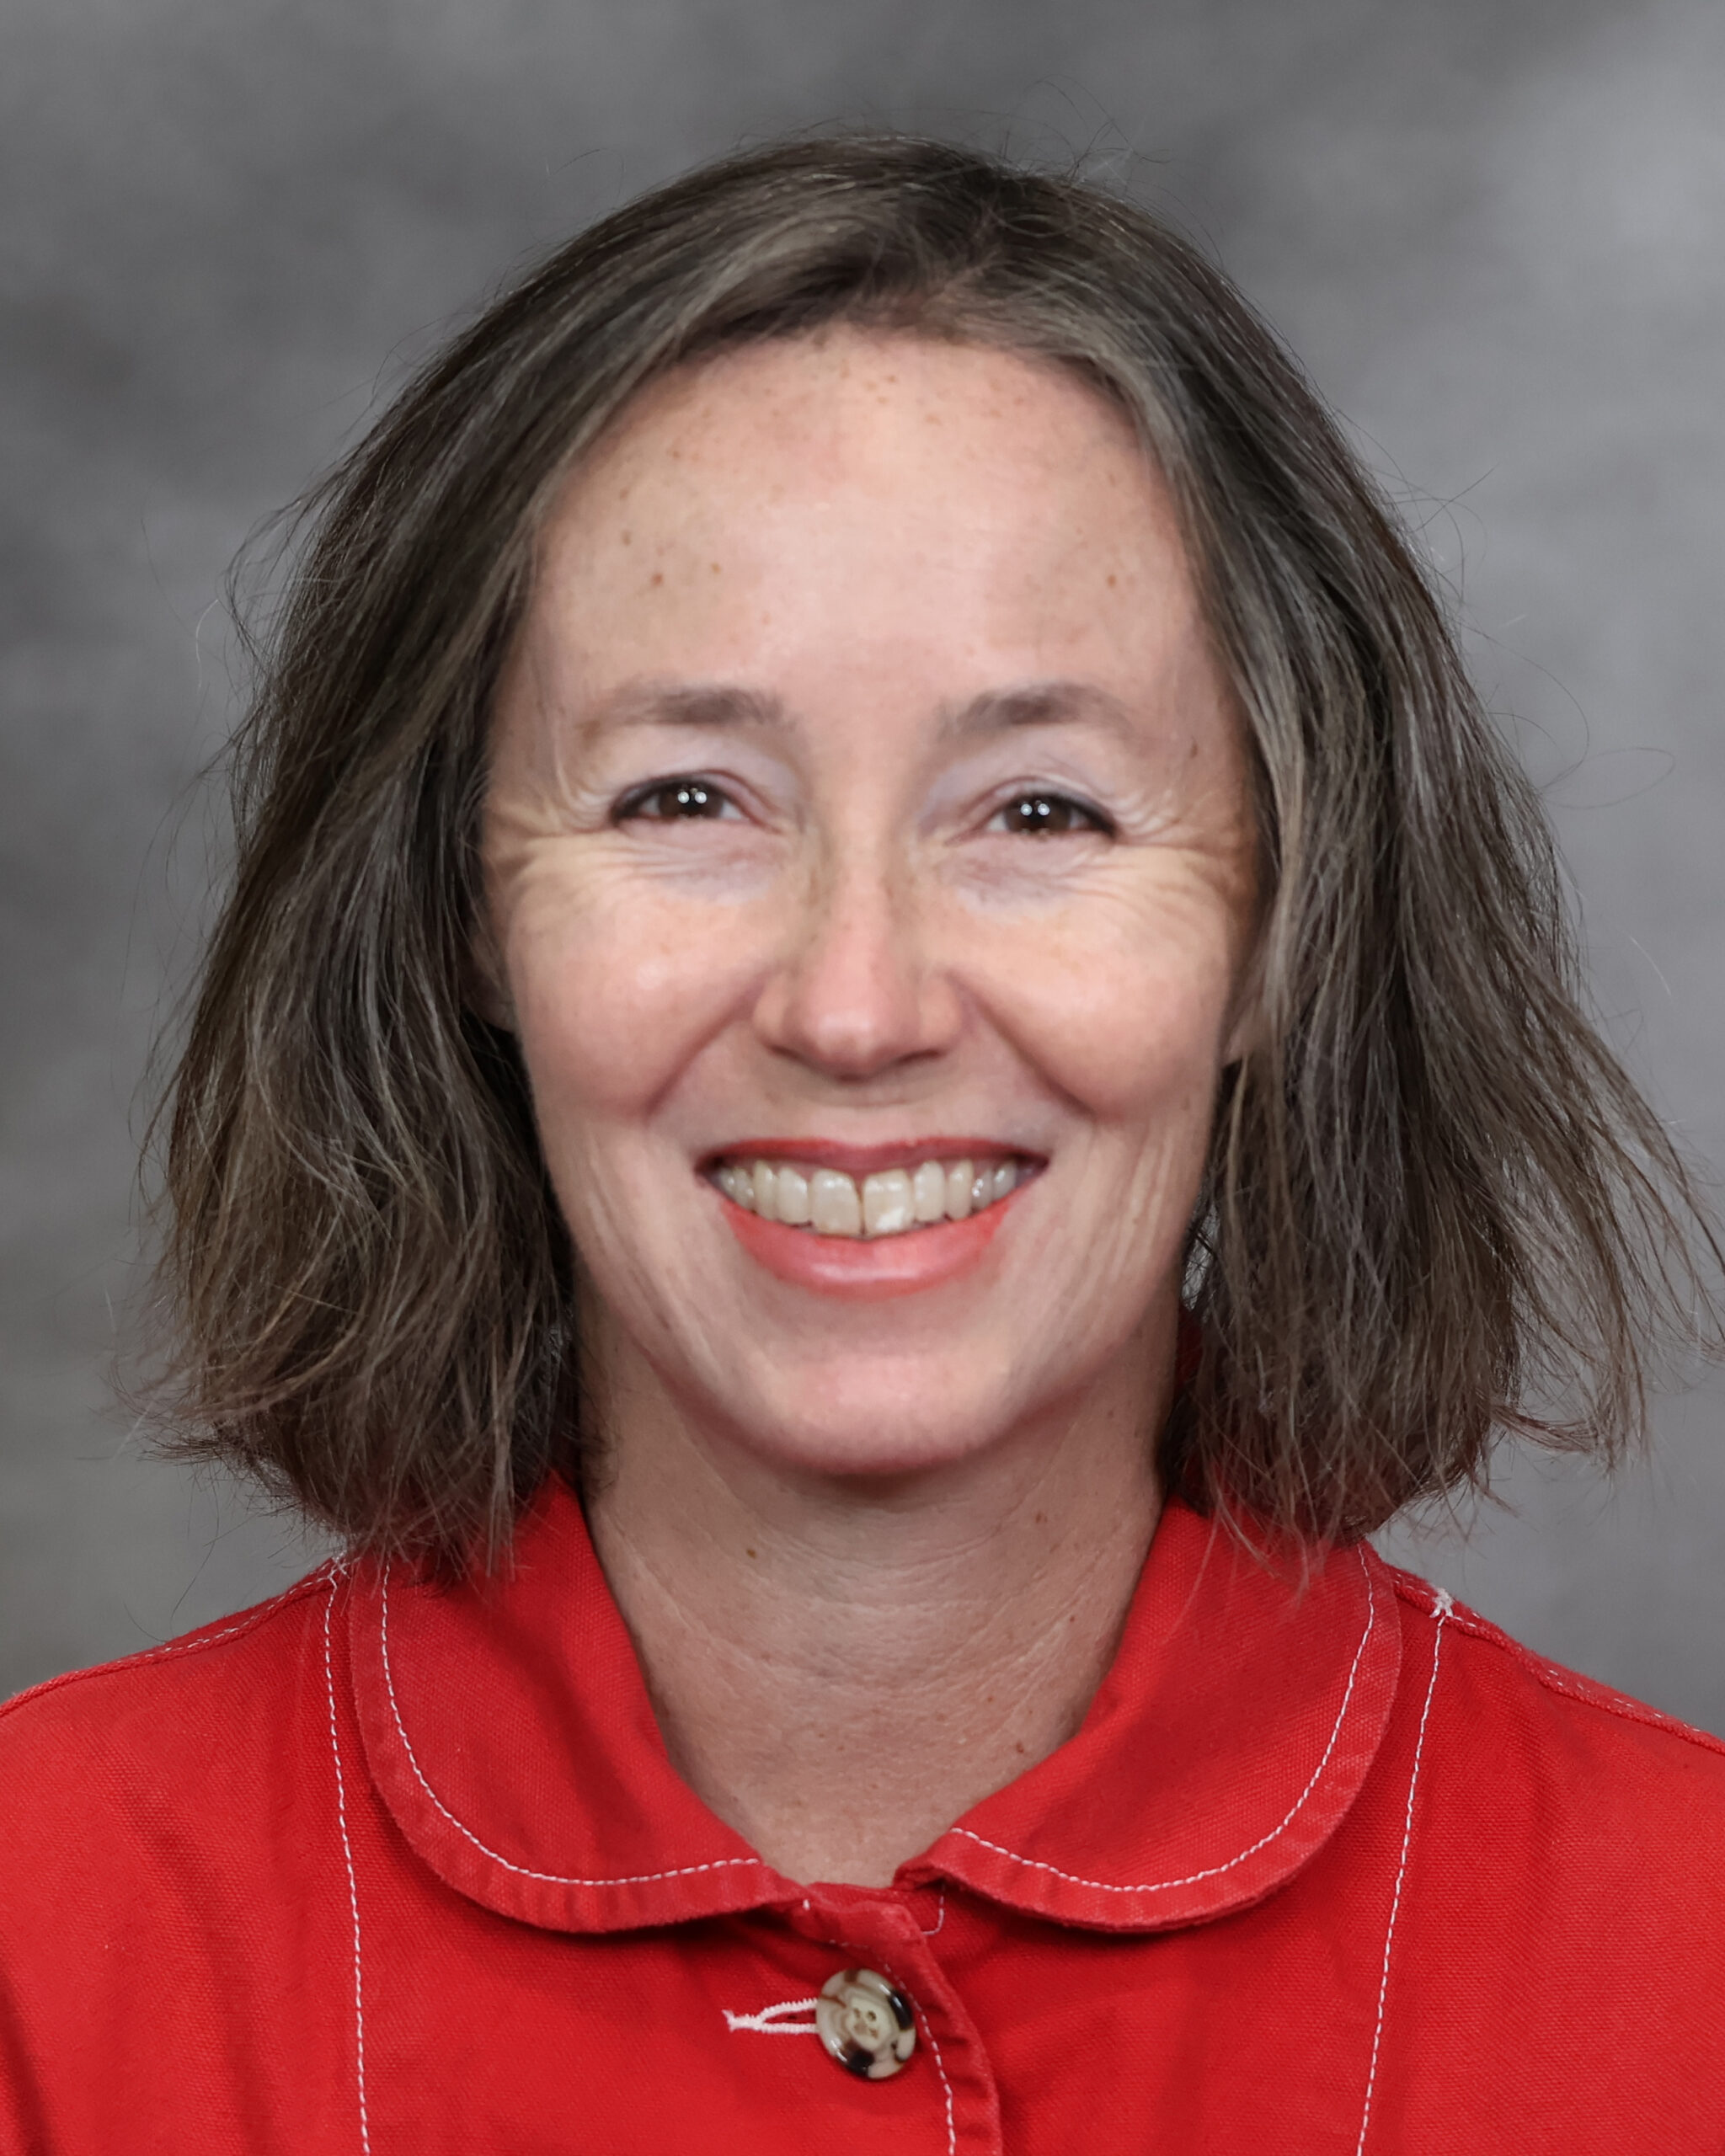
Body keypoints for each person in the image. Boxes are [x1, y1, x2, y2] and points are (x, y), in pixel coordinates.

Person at [2, 134, 1721, 2153]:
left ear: (1283, 929)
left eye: (1042, 813)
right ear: (463, 915)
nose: (854, 1003)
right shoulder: (45, 1947)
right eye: (683, 800)